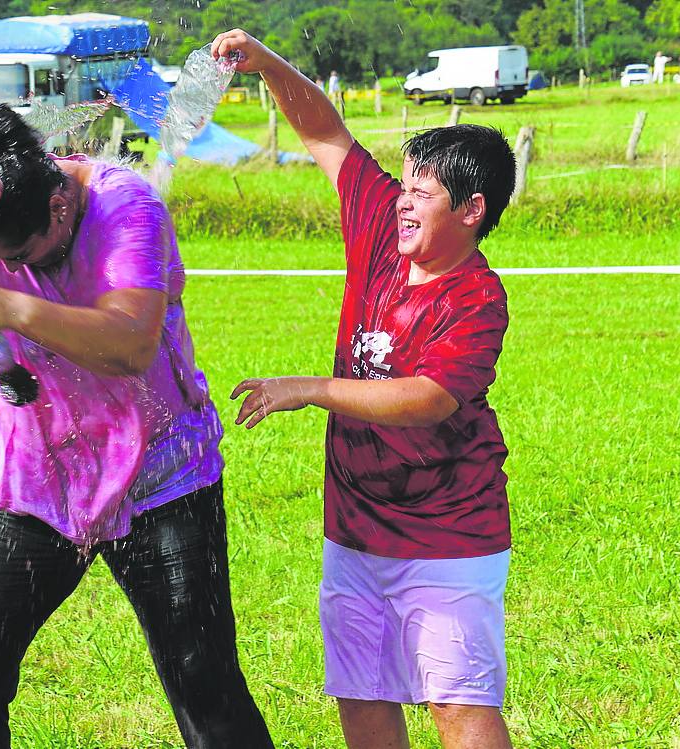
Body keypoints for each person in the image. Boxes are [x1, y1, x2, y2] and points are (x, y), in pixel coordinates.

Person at [0, 103, 273, 749]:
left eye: (25, 253)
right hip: (34, 473)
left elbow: (130, 344)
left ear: (59, 206)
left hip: (161, 480)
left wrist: (10, 304)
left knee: (205, 687)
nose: (10, 265)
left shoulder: (125, 206)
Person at [212, 29, 516, 749]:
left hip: (448, 536)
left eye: (423, 193)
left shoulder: (476, 298)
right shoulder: (381, 227)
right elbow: (325, 130)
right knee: (364, 697)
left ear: (470, 210)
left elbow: (429, 398)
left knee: (457, 705)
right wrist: (266, 63)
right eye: (403, 187)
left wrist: (315, 387)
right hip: (354, 530)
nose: (403, 203)